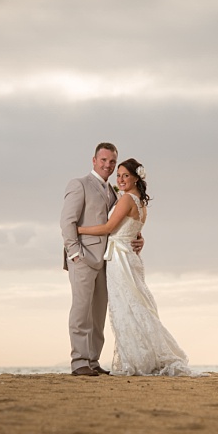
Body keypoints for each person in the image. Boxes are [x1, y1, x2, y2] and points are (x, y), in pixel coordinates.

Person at [78, 158, 199, 376]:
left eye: (126, 175)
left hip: (121, 259)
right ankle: (140, 356)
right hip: (129, 257)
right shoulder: (140, 202)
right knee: (134, 306)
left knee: (128, 307)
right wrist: (139, 239)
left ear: (136, 177)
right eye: (119, 175)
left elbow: (108, 227)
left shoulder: (126, 199)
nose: (121, 179)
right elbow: (133, 229)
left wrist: (78, 230)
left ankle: (137, 359)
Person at [60, 143, 144, 377]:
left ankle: (93, 360)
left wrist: (138, 237)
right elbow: (68, 222)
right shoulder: (79, 185)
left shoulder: (114, 192)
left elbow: (119, 224)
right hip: (84, 259)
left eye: (112, 162)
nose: (108, 165)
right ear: (94, 160)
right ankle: (79, 362)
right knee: (81, 311)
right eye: (104, 160)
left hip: (108, 261)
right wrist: (75, 253)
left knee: (97, 314)